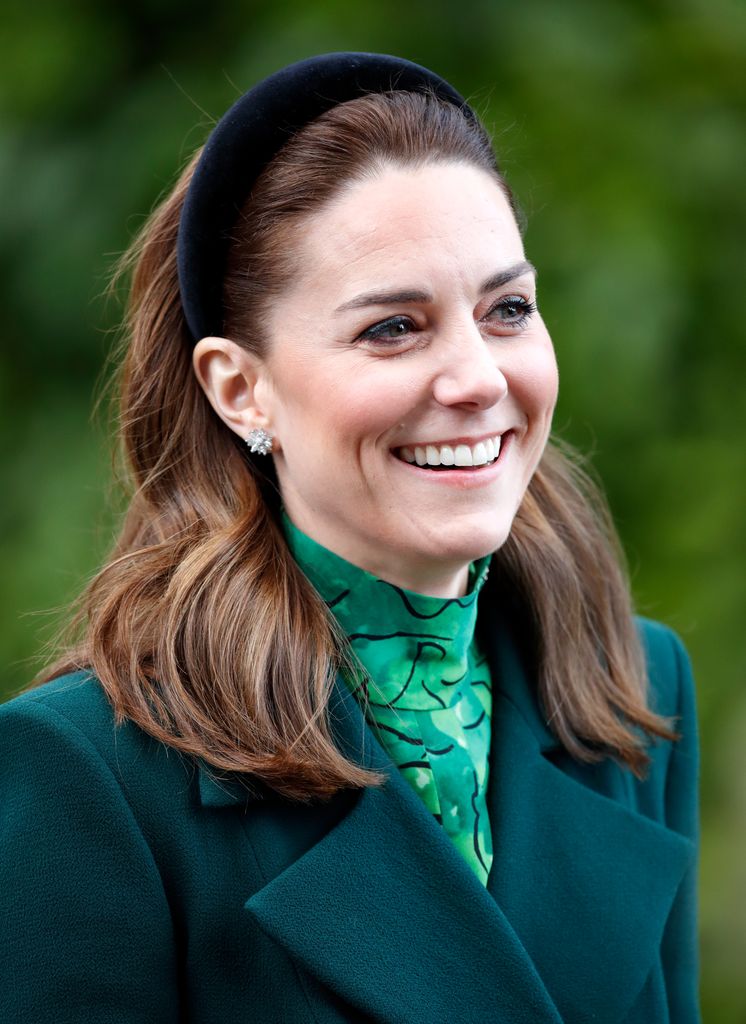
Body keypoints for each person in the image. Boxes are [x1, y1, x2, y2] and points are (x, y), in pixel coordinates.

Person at [0, 52, 700, 1023]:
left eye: (506, 309)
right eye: (392, 329)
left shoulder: (633, 689)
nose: (475, 378)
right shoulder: (90, 773)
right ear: (239, 389)